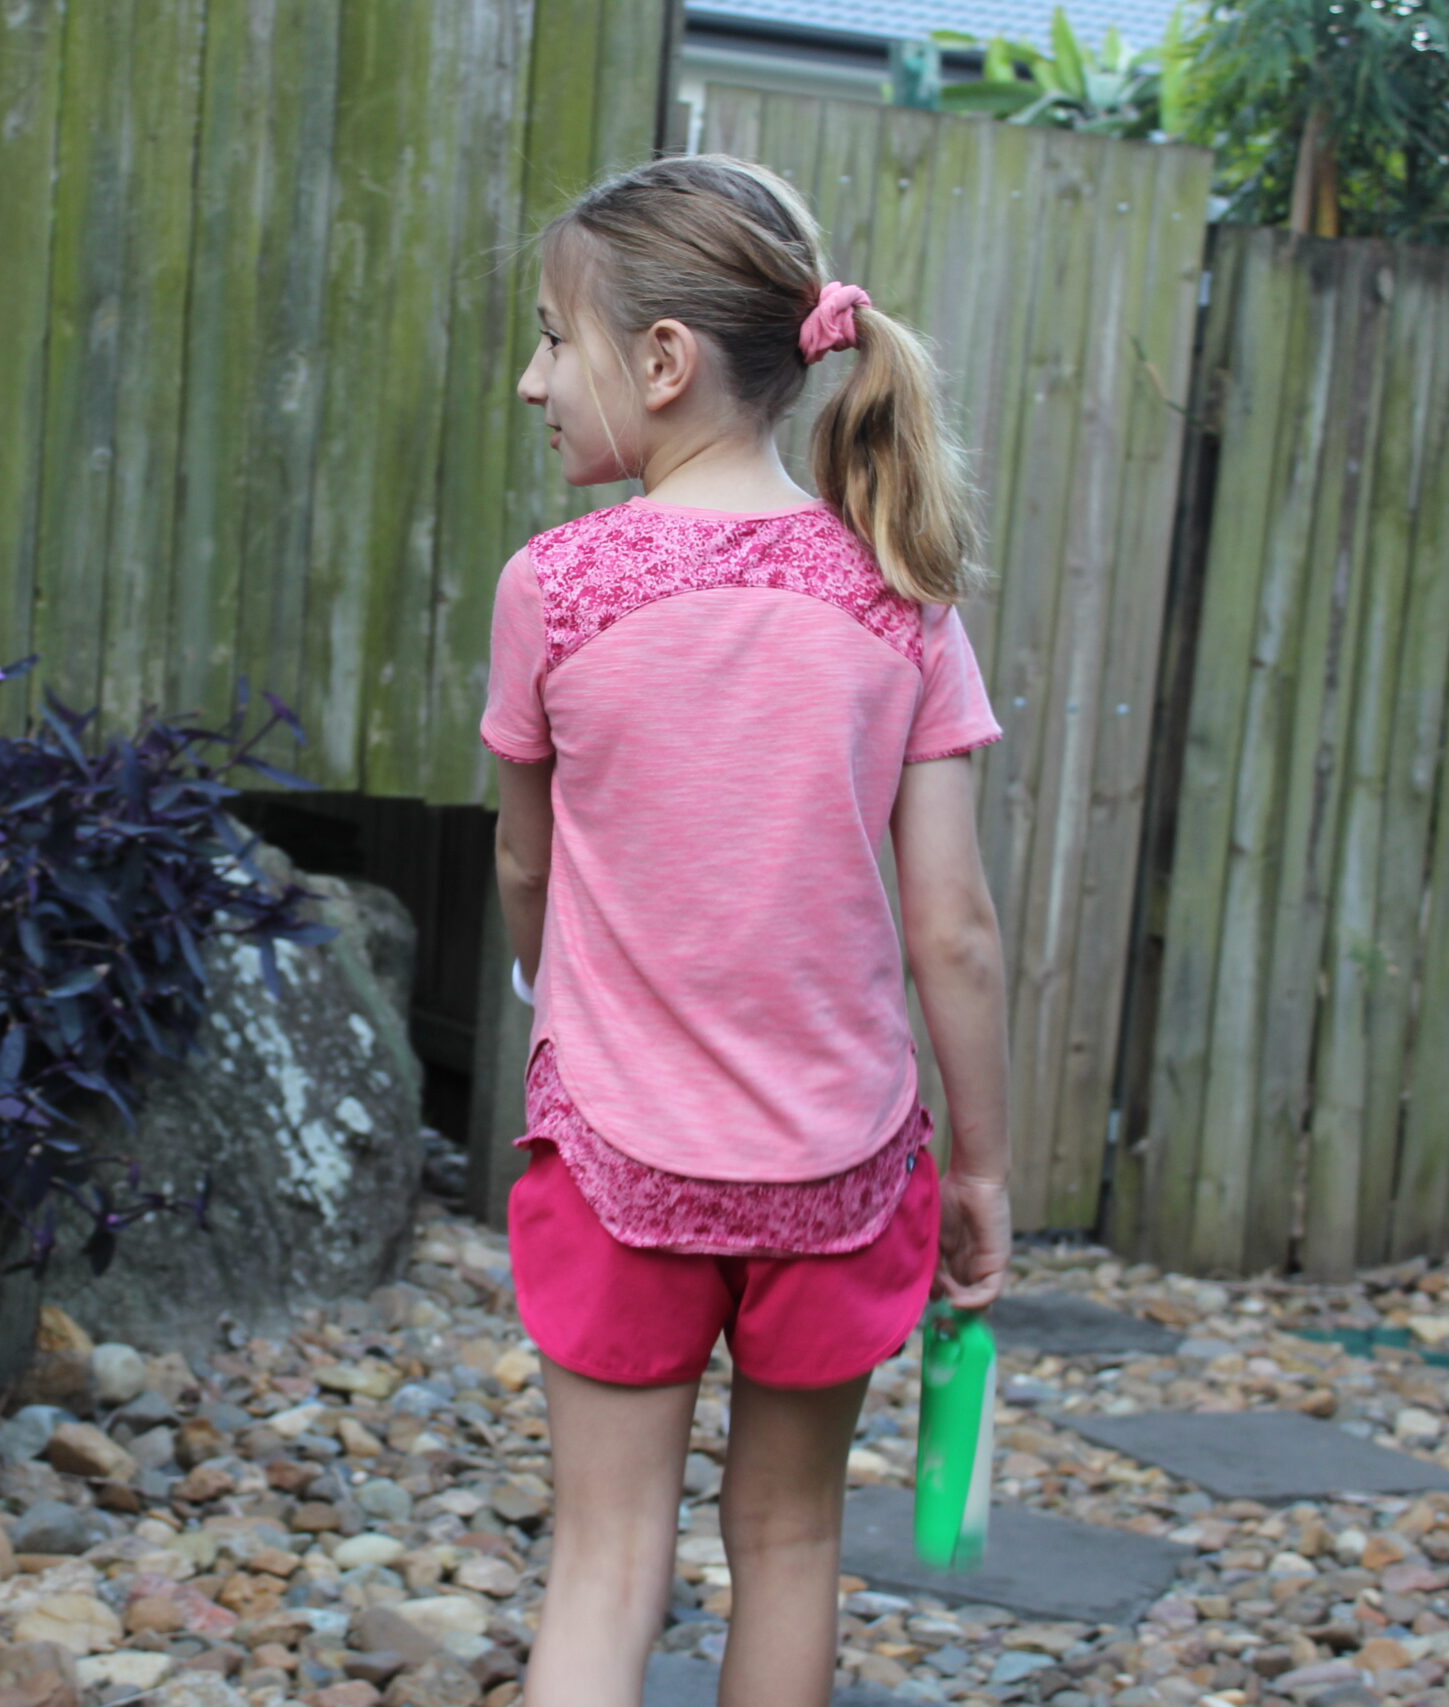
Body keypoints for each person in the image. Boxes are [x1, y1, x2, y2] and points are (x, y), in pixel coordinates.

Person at [481, 153, 1014, 1707]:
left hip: (615, 1156)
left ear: (661, 362)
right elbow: (956, 931)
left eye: (549, 339)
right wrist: (975, 1166)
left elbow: (526, 858)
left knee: (603, 1555)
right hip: (840, 1171)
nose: (531, 382)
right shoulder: (900, 594)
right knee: (787, 1543)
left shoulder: (557, 590)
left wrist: (546, 969)